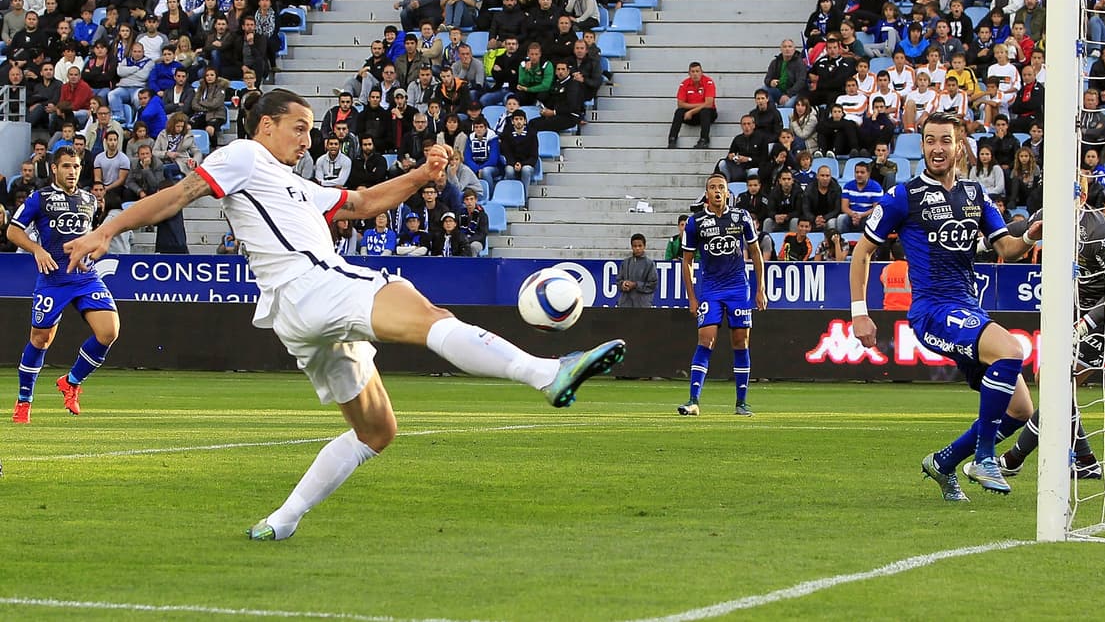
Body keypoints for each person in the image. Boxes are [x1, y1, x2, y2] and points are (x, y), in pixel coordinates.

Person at [65, 89, 626, 540]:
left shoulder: (292, 183)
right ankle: (547, 373)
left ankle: (282, 519)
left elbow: (360, 203)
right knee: (429, 314)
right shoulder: (243, 156)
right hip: (312, 283)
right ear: (266, 126)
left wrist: (421, 175)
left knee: (377, 430)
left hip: (296, 315)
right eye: (299, 127)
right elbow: (180, 195)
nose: (307, 138)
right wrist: (107, 230)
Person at [848, 111, 1041, 499]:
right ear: (921, 146)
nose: (937, 148)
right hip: (933, 310)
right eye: (930, 140)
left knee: (1021, 410)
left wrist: (1032, 236)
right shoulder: (903, 197)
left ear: (960, 146)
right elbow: (862, 252)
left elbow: (1006, 248)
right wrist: (859, 313)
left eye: (946, 140)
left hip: (969, 308)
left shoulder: (974, 194)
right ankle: (984, 458)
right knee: (1011, 350)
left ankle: (943, 462)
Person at [999, 193, 1105, 481]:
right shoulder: (1050, 214)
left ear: (1082, 196)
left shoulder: (1102, 231)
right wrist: (982, 235)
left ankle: (1013, 458)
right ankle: (1086, 461)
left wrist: (1082, 326)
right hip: (1081, 310)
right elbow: (1015, 230)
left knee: (1059, 382)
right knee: (1046, 378)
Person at [10, 147, 120, 424]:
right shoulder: (40, 198)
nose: (72, 172)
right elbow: (12, 230)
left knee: (109, 332)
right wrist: (37, 250)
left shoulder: (89, 200)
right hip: (53, 279)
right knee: (40, 339)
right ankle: (24, 401)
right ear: (54, 169)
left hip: (85, 277)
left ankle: (71, 382)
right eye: (67, 166)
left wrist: (91, 250)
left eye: (76, 166)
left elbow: (87, 235)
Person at [678, 172, 767, 418]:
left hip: (738, 288)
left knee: (740, 341)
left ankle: (741, 402)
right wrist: (692, 297)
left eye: (721, 187)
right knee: (706, 339)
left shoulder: (741, 217)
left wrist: (760, 288)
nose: (717, 191)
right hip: (711, 289)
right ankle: (693, 400)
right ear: (707, 193)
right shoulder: (695, 222)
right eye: (713, 187)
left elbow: (756, 252)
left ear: (728, 192)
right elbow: (687, 261)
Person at [667, 61, 717, 148]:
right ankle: (672, 139)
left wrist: (691, 111)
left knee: (705, 111)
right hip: (690, 116)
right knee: (679, 112)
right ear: (689, 73)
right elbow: (680, 104)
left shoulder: (708, 82)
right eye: (693, 71)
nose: (695, 74)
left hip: (707, 115)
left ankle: (704, 140)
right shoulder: (684, 84)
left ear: (701, 72)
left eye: (697, 71)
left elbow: (709, 104)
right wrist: (700, 106)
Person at [618, 233, 657, 308]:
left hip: (642, 304)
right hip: (626, 303)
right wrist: (623, 284)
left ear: (644, 246)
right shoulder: (625, 262)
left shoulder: (649, 264)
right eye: (635, 246)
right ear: (631, 247)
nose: (637, 248)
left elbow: (653, 285)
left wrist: (635, 285)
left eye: (640, 246)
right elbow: (618, 281)